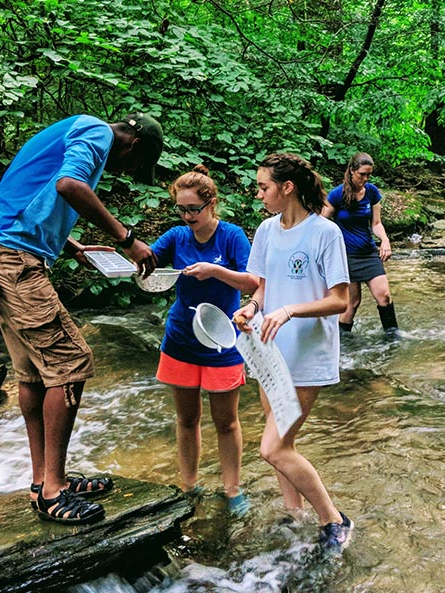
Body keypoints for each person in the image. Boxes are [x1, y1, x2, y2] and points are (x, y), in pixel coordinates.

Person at [0, 113, 163, 524]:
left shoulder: (76, 129)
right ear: (134, 144)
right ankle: (53, 491)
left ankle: (44, 480)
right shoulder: (96, 133)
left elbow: (28, 191)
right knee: (71, 364)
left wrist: (70, 245)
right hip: (14, 259)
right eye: (137, 165)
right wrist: (127, 239)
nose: (127, 173)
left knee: (35, 373)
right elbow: (69, 185)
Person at [231, 153, 354, 554]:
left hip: (308, 354)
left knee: (273, 448)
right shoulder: (266, 230)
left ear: (287, 188)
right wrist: (253, 307)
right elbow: (264, 288)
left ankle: (334, 520)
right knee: (282, 447)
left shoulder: (324, 233)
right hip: (269, 350)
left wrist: (289, 310)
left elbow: (340, 301)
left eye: (263, 187)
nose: (258, 194)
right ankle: (294, 515)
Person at [150, 165, 259, 516]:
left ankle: (232, 490)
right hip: (181, 338)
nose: (187, 216)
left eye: (193, 209)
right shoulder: (176, 237)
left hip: (221, 340)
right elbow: (148, 261)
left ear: (211, 204)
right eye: (181, 209)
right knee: (186, 419)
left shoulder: (231, 236)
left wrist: (214, 271)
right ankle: (189, 486)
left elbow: (252, 282)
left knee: (225, 421)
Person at [320, 152, 398, 336]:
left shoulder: (372, 192)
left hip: (368, 253)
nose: (365, 178)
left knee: (384, 296)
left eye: (368, 175)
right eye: (362, 174)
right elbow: (320, 222)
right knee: (352, 303)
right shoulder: (337, 194)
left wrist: (385, 240)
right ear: (352, 171)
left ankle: (393, 337)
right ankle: (343, 343)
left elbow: (376, 224)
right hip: (346, 256)